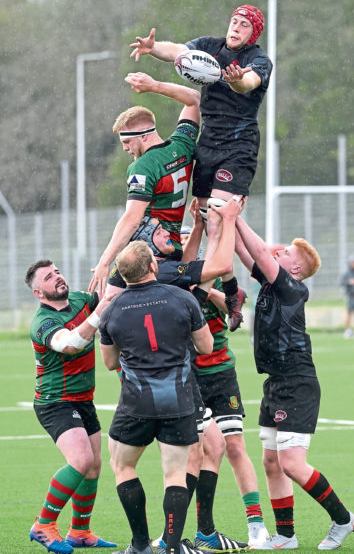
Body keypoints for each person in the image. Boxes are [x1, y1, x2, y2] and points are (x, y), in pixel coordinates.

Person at [129, 5, 272, 331]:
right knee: (211, 224)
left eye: (244, 25)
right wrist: (154, 50)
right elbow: (179, 52)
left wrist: (236, 80)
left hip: (238, 148)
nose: (236, 28)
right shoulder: (211, 46)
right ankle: (247, 284)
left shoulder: (259, 60)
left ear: (254, 33)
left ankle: (235, 291)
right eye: (234, 21)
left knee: (222, 214)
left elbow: (248, 83)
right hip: (207, 147)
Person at [235, 217, 354, 550]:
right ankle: (286, 535)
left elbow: (260, 251)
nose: (280, 250)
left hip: (297, 382)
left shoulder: (292, 288)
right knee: (271, 462)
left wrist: (234, 215)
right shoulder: (273, 281)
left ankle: (343, 518)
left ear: (296, 269)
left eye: (287, 251)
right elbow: (244, 250)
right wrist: (214, 215)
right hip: (276, 383)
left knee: (291, 463)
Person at [98, 240, 214, 554]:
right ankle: (173, 546)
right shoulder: (182, 298)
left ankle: (139, 545)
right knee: (175, 473)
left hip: (136, 403)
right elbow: (206, 347)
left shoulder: (112, 310)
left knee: (123, 467)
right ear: (153, 266)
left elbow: (109, 363)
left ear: (122, 276)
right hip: (177, 401)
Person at [179, 228, 269, 550]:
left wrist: (202, 289)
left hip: (220, 373)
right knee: (198, 452)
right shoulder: (169, 282)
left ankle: (256, 524)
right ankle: (182, 531)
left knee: (234, 447)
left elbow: (234, 305)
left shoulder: (215, 278)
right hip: (189, 377)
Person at [25, 260, 116, 554]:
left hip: (83, 399)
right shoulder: (43, 323)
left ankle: (79, 531)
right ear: (39, 292)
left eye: (58, 272)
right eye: (49, 278)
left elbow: (110, 297)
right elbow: (70, 344)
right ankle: (43, 524)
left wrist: (110, 272)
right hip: (55, 402)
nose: (58, 278)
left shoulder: (79, 299)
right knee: (80, 460)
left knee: (93, 467)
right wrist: (100, 311)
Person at [89, 72, 201, 296]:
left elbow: (132, 219)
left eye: (127, 141)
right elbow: (194, 99)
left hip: (145, 258)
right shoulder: (182, 145)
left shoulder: (142, 166)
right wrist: (154, 85)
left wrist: (104, 261)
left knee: (105, 309)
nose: (125, 148)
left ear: (144, 136)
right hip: (173, 249)